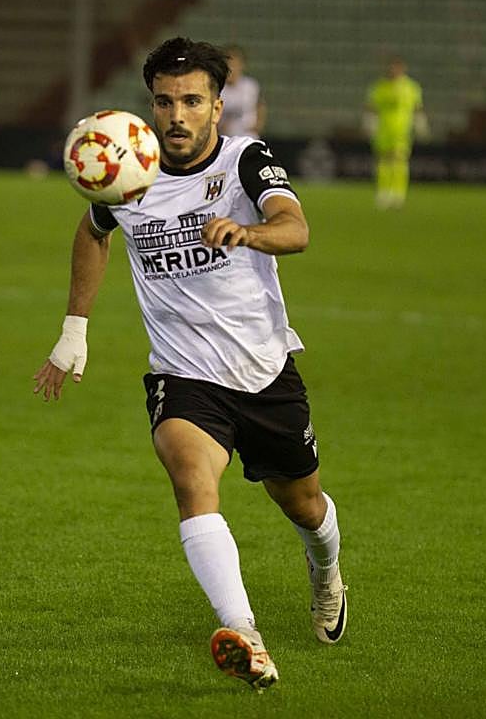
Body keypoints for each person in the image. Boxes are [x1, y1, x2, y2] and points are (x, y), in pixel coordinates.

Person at [32, 38, 346, 691]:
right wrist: (74, 329)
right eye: (165, 101)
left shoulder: (243, 160)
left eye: (192, 101)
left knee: (306, 506)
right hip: (182, 376)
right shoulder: (128, 166)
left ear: (217, 106)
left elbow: (296, 228)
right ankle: (245, 634)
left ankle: (326, 573)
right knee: (191, 479)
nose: (176, 114)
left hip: (263, 371)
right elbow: (94, 230)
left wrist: (248, 231)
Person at [364, 55, 428, 210]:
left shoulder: (411, 87)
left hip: (402, 131)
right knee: (384, 161)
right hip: (383, 131)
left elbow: (417, 108)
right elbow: (371, 108)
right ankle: (384, 193)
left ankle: (398, 194)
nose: (395, 71)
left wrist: (420, 124)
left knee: (399, 161)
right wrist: (369, 124)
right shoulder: (379, 87)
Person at [218, 44, 266, 139]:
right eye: (229, 64)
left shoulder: (251, 86)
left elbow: (260, 105)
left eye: (235, 64)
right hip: (225, 139)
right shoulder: (219, 88)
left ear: (241, 65)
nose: (232, 68)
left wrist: (258, 126)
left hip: (248, 137)